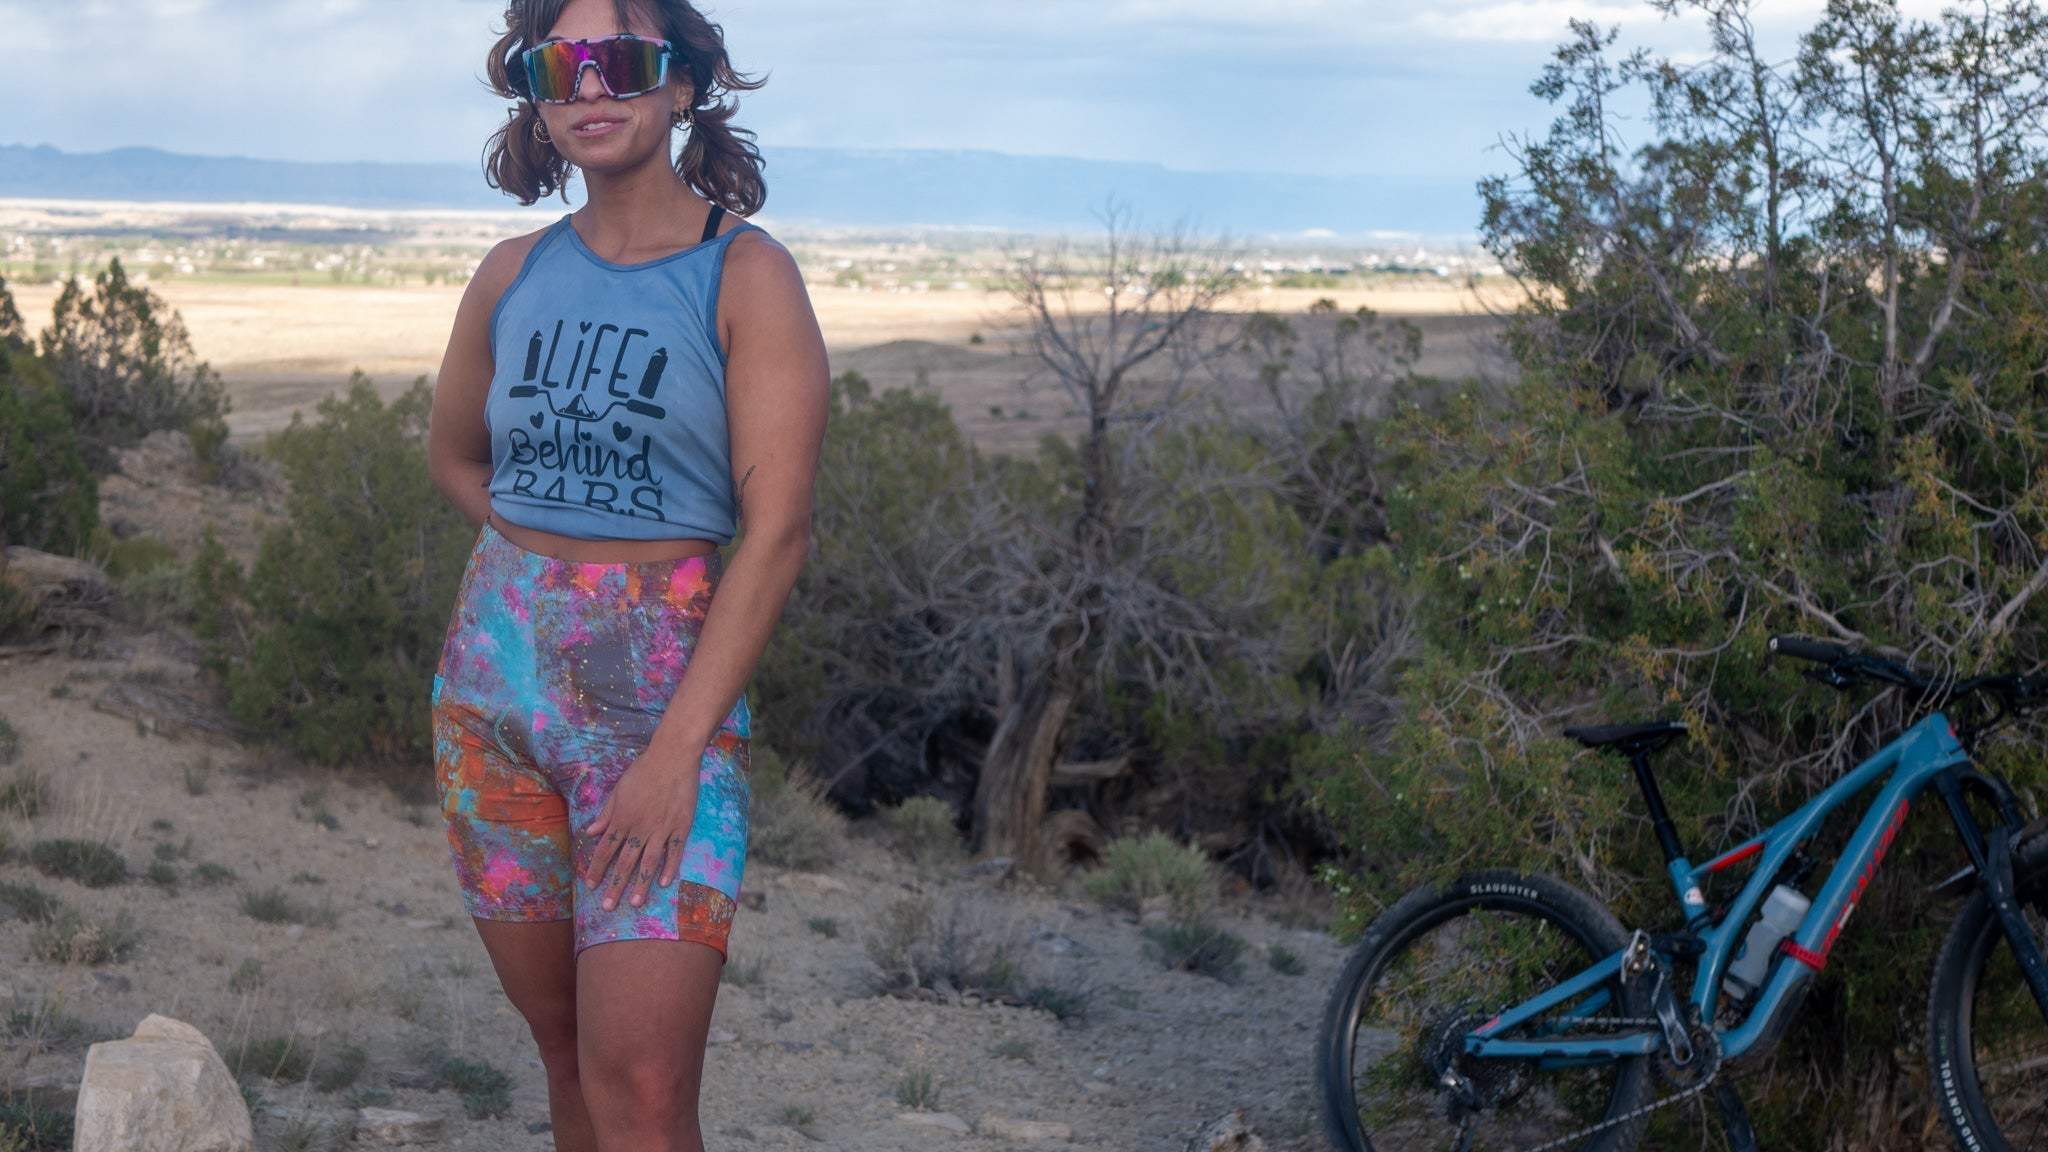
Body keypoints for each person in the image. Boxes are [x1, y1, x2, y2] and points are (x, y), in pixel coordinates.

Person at [424, 0, 828, 1147]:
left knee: (643, 1092)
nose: (590, 87)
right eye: (560, 65)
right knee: (568, 1061)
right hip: (491, 697)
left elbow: (777, 533)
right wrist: (545, 551)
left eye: (621, 62)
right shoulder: (512, 273)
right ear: (536, 96)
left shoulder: (742, 276)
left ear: (682, 84)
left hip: (661, 710)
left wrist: (671, 755)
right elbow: (455, 457)